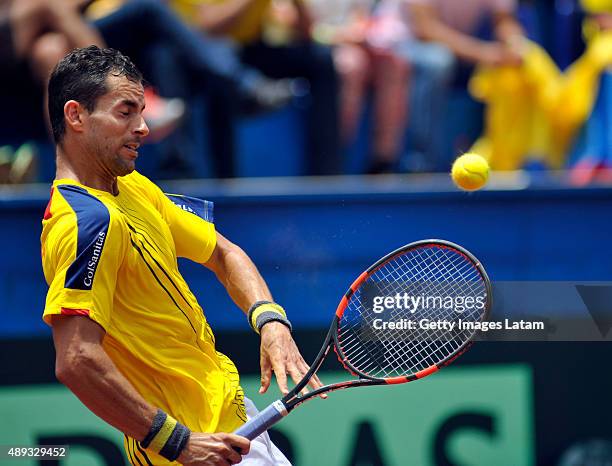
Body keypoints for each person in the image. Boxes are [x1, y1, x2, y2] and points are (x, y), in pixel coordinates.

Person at [41, 46, 321, 465]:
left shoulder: (134, 187)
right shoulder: (86, 223)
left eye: (141, 111)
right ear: (76, 116)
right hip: (193, 446)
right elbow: (76, 359)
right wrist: (177, 442)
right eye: (125, 112)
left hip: (226, 420)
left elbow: (224, 253)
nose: (143, 127)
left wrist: (271, 322)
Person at [169, 0, 342, 176]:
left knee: (321, 58)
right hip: (203, 54)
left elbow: (308, 32)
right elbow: (206, 27)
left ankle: (327, 174)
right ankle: (225, 182)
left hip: (250, 50)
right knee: (221, 63)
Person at [385, 0, 524, 170]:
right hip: (403, 46)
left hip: (460, 51)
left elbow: (504, 20)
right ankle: (421, 164)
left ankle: (512, 161)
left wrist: (516, 45)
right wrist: (483, 53)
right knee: (437, 61)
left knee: (513, 67)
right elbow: (426, 28)